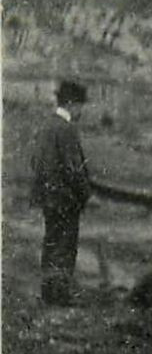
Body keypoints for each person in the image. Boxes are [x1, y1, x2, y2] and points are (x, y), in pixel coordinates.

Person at [29, 80, 92, 306]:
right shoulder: (66, 129)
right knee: (64, 248)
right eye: (81, 106)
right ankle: (60, 296)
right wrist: (86, 195)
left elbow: (34, 161)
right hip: (65, 200)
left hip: (49, 199)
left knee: (51, 244)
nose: (82, 111)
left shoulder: (46, 126)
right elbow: (74, 169)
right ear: (72, 104)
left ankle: (49, 293)